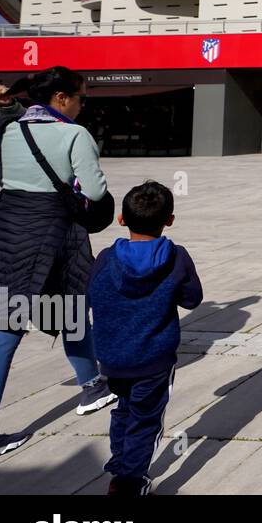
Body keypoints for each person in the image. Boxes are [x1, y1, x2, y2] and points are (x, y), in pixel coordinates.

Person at [0, 67, 117, 468]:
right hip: (54, 234)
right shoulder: (74, 134)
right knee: (47, 318)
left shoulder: (8, 129)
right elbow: (94, 192)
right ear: (61, 99)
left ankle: (91, 386)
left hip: (6, 231)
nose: (82, 104)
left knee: (29, 321)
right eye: (80, 98)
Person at [87, 181, 202, 495]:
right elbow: (192, 299)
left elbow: (89, 295)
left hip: (112, 357)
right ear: (170, 220)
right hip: (154, 359)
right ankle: (129, 482)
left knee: (123, 410)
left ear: (121, 219)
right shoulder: (176, 257)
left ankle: (120, 465)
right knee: (146, 420)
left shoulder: (106, 259)